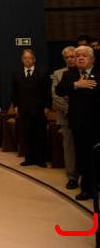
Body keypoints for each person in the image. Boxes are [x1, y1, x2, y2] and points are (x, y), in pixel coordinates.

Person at [56, 46, 99, 200]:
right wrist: (76, 85)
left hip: (97, 123)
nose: (80, 58)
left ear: (92, 59)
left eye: (84, 55)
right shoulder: (70, 75)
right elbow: (59, 90)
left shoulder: (98, 73)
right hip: (78, 124)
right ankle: (87, 189)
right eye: (77, 56)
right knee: (83, 157)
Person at [10, 49, 49, 168]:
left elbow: (47, 91)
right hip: (23, 108)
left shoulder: (43, 72)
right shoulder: (16, 73)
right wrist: (16, 105)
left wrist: (47, 106)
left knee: (39, 134)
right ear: (22, 60)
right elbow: (14, 91)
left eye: (30, 58)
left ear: (34, 59)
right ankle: (28, 158)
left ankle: (40, 159)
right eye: (25, 58)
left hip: (39, 108)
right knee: (26, 135)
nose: (27, 60)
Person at [51, 46, 79, 190]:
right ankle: (72, 177)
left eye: (72, 56)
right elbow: (55, 95)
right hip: (66, 115)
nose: (70, 59)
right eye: (67, 57)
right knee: (69, 148)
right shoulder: (58, 73)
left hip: (85, 116)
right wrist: (69, 109)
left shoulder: (84, 72)